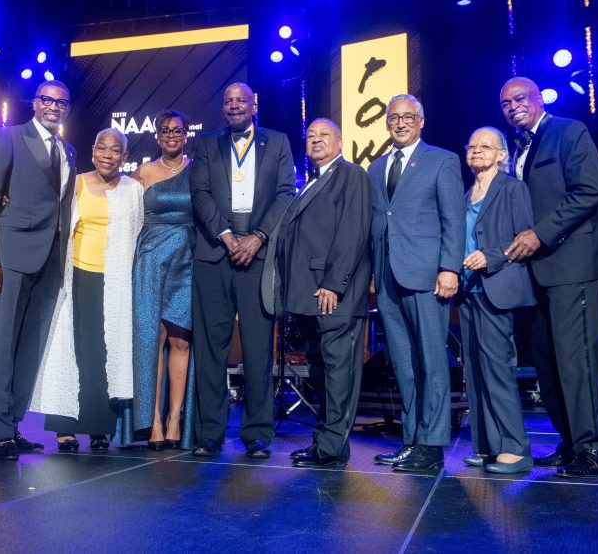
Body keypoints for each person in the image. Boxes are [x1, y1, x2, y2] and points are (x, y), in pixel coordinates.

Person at [499, 76, 598, 479]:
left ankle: (594, 448)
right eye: (505, 103)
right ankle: (571, 443)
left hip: (573, 262)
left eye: (519, 98)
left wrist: (541, 234)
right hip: (535, 274)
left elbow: (590, 189)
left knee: (575, 358)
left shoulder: (569, 131)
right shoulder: (514, 148)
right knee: (547, 362)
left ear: (537, 99)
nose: (513, 106)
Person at [189, 82, 295, 459]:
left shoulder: (277, 142)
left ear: (254, 104)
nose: (234, 105)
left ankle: (257, 434)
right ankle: (210, 433)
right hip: (214, 254)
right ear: (223, 108)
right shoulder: (205, 144)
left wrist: (258, 238)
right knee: (210, 348)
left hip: (259, 253)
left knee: (256, 346)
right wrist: (227, 236)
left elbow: (286, 193)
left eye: (241, 100)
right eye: (228, 100)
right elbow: (199, 193)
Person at [0, 80, 77, 460]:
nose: (54, 107)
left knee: (29, 348)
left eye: (61, 102)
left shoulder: (69, 150)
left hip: (50, 259)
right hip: (10, 257)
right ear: (35, 103)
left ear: (67, 108)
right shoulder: (9, 138)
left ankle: (12, 425)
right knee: (3, 346)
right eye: (47, 100)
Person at [262, 118, 370, 469]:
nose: (316, 141)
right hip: (306, 295)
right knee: (322, 370)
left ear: (340, 142)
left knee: (339, 371)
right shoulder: (311, 182)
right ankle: (328, 443)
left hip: (331, 293)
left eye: (324, 135)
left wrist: (333, 284)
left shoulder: (350, 175)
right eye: (310, 136)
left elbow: (353, 232)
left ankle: (329, 447)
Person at [30, 129, 143, 453]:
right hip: (76, 276)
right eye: (102, 148)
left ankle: (98, 427)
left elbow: (137, 235)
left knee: (103, 354)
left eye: (116, 149)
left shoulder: (133, 189)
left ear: (124, 155)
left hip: (116, 282)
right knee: (69, 349)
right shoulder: (75, 183)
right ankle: (65, 428)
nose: (108, 154)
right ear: (93, 151)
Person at [369, 94, 465, 473]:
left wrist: (449, 268)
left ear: (421, 121)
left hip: (427, 276)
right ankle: (411, 440)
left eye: (408, 116)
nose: (401, 122)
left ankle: (433, 443)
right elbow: (378, 223)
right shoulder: (376, 168)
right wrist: (374, 274)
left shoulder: (442, 160)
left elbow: (453, 220)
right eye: (394, 117)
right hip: (388, 277)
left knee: (431, 362)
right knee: (404, 364)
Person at [458, 127, 537, 473]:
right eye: (471, 146)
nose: (476, 151)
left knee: (497, 370)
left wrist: (491, 256)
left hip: (496, 286)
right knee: (474, 370)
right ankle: (488, 446)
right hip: (468, 290)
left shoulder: (513, 188)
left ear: (502, 154)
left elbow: (524, 238)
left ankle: (515, 448)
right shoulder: (465, 193)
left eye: (485, 146)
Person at [130, 110, 195, 450]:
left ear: (186, 134)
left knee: (182, 340)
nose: (172, 135)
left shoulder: (198, 171)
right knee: (153, 338)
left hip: (187, 258)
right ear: (157, 136)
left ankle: (175, 419)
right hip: (150, 258)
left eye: (177, 130)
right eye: (165, 131)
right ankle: (152, 419)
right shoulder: (142, 173)